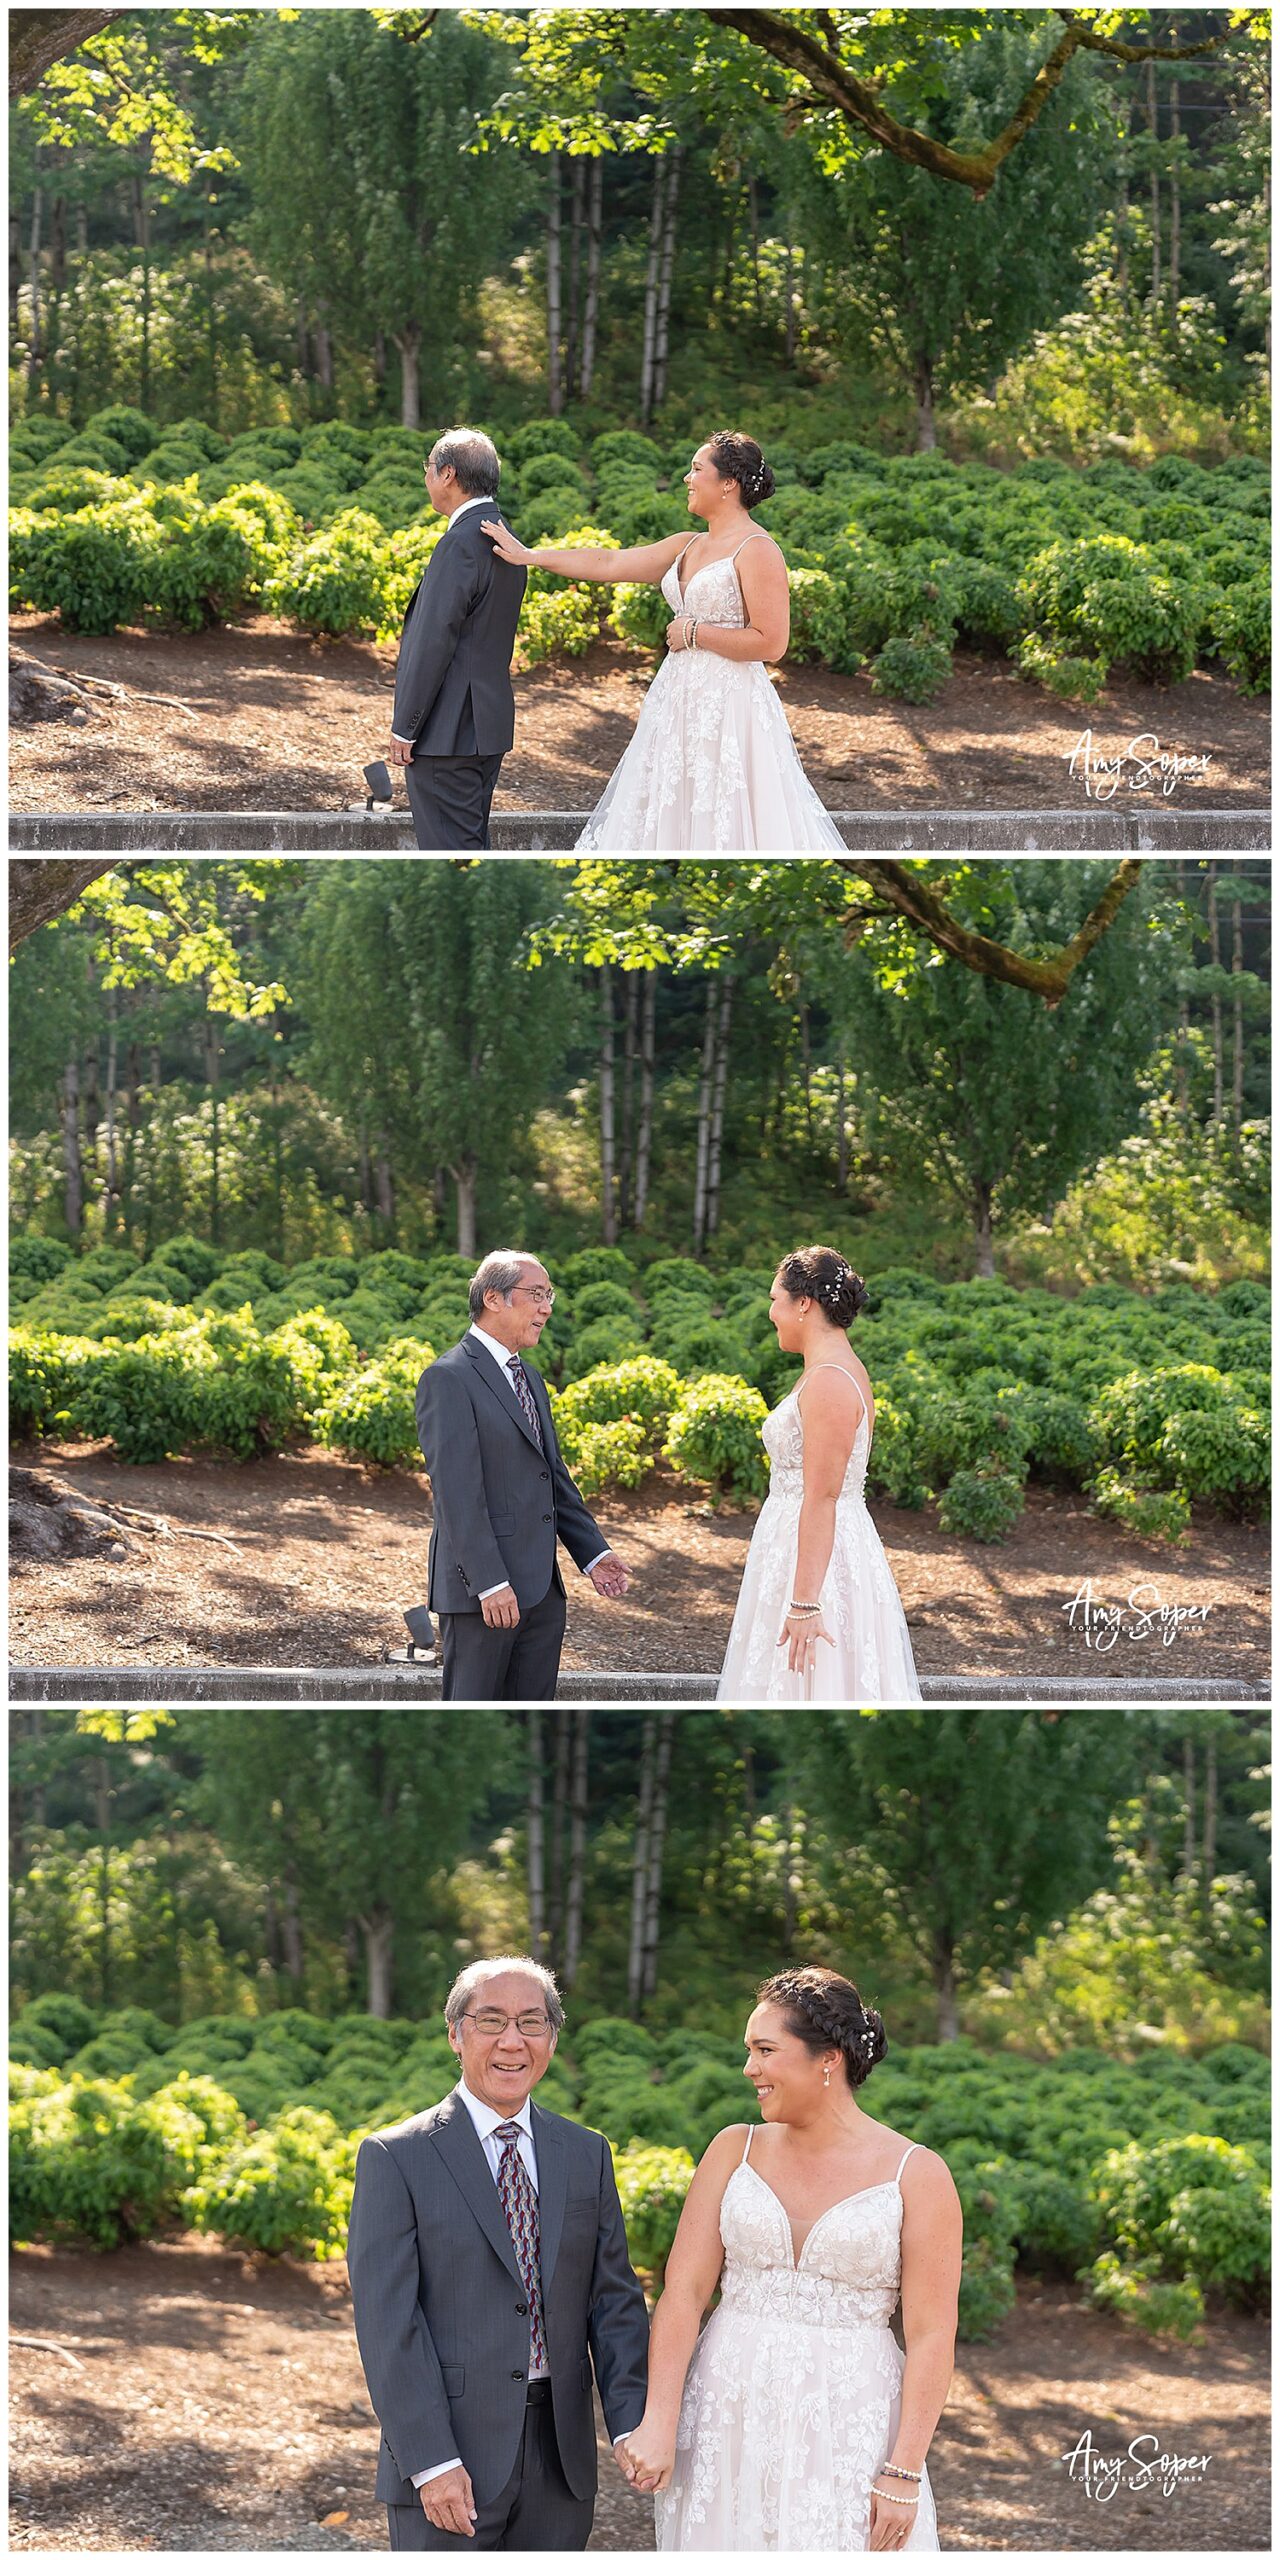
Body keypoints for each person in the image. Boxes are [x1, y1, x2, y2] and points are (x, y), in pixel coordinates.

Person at [617, 1966, 962, 2551]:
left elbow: (932, 2335)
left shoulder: (917, 2174)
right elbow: (683, 2294)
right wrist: (659, 2419)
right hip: (726, 2407)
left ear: (827, 2057)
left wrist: (903, 2470)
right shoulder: (733, 2148)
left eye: (765, 2050)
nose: (749, 2068)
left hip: (852, 2419)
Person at [347, 1958, 652, 2551]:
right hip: (450, 2458)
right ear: (455, 2034)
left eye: (531, 2022)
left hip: (560, 2458)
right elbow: (389, 2325)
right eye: (491, 2021)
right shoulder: (396, 2157)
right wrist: (431, 2460)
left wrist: (632, 2425)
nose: (512, 2041)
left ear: (552, 2038)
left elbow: (613, 2301)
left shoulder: (586, 2154)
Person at [483, 432, 845, 851]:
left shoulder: (758, 549)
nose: (686, 478)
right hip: (676, 698)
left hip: (730, 705)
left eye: (696, 469)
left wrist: (695, 633)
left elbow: (771, 642)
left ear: (729, 483)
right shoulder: (687, 544)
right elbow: (611, 561)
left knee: (724, 807)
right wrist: (531, 555)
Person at [414, 1250, 629, 1700]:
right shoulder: (448, 1378)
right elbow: (456, 1494)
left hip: (542, 1595)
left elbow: (552, 1477)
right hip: (484, 1597)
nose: (547, 1307)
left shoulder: (529, 1378)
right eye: (536, 1294)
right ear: (494, 1298)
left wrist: (593, 1554)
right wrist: (490, 1582)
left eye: (549, 1295)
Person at [716, 1247, 922, 1701]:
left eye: (776, 1299)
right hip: (796, 1546)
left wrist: (806, 1603)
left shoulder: (830, 1380)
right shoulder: (825, 1371)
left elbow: (823, 1495)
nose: (771, 1312)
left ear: (804, 1303)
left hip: (818, 1562)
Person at [391, 428, 526, 850]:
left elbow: (432, 642)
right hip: (485, 726)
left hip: (446, 733)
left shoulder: (460, 544)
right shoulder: (506, 538)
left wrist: (405, 728)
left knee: (451, 851)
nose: (426, 478)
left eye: (428, 468)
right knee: (468, 844)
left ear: (447, 474)